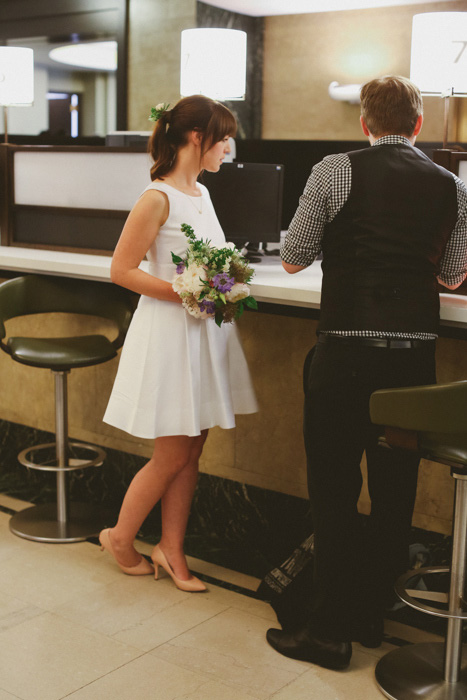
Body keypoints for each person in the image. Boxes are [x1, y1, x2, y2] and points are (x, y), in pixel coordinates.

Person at [266, 75, 467, 669]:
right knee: (393, 494)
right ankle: (372, 617)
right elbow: (453, 274)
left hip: (345, 358)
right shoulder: (452, 185)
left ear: (364, 122)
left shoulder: (334, 169)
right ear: (419, 125)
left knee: (333, 491)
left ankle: (328, 632)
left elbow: (294, 256)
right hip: (412, 367)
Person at [100, 95, 258, 592]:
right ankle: (121, 537)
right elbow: (121, 270)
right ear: (197, 138)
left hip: (201, 332)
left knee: (193, 448)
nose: (228, 146)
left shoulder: (202, 194)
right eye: (224, 136)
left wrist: (218, 287)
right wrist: (186, 293)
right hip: (171, 330)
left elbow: (208, 259)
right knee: (170, 452)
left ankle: (171, 549)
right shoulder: (158, 197)